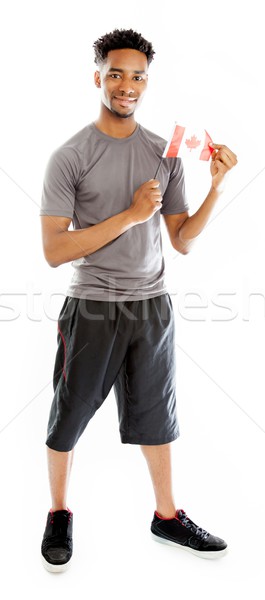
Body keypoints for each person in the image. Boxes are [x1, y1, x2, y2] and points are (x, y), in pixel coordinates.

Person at [40, 28, 237, 572]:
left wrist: (216, 188)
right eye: (117, 73)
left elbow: (182, 241)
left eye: (138, 76)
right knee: (68, 417)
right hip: (93, 307)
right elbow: (55, 251)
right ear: (97, 75)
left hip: (153, 306)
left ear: (147, 81)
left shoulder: (163, 152)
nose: (127, 85)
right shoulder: (70, 156)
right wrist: (128, 215)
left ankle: (166, 516)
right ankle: (59, 513)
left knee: (157, 414)